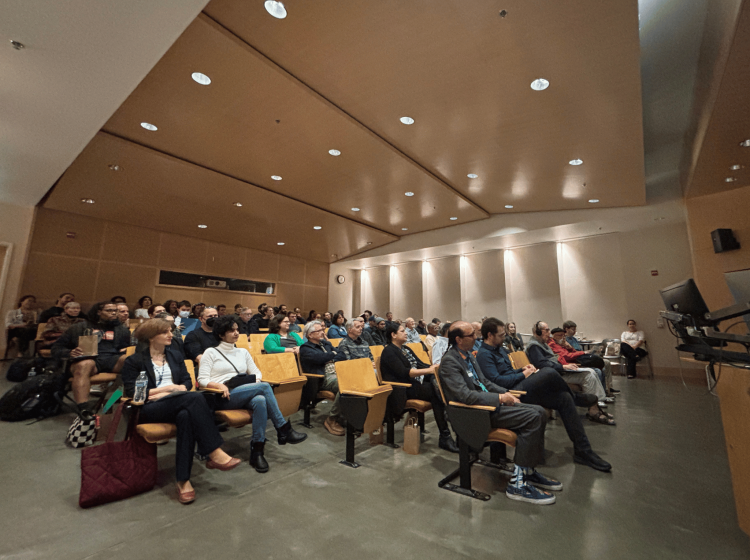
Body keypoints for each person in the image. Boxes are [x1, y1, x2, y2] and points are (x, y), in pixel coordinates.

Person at [439, 321, 560, 505]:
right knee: (533, 416)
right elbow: (464, 396)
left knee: (539, 411)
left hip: (488, 404)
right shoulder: (450, 361)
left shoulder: (468, 356)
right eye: (471, 335)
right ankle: (517, 486)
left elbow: (485, 383)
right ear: (458, 339)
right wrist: (500, 399)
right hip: (475, 413)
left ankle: (526, 470)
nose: (476, 337)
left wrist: (506, 394)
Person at [122, 318, 241, 504]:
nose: (171, 335)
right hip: (149, 409)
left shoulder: (175, 356)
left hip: (178, 403)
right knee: (196, 398)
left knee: (186, 416)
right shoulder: (134, 361)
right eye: (165, 332)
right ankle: (212, 451)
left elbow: (186, 382)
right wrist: (168, 389)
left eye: (171, 331)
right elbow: (134, 393)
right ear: (151, 337)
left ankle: (183, 481)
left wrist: (175, 390)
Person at [476, 318, 611, 472]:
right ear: (489, 335)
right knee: (548, 372)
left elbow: (508, 372)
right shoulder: (484, 355)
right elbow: (498, 382)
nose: (504, 337)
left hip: (520, 385)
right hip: (512, 393)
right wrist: (523, 374)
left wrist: (522, 370)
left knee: (564, 399)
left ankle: (583, 451)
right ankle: (577, 398)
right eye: (500, 335)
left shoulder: (499, 349)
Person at [198, 315, 307, 473]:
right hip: (221, 396)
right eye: (231, 331)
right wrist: (218, 385)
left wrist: (251, 383)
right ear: (221, 334)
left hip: (244, 391)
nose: (236, 333)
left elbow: (257, 373)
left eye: (237, 330)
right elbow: (202, 380)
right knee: (263, 387)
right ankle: (283, 429)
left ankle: (257, 450)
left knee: (260, 400)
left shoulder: (243, 352)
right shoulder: (211, 352)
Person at [380, 323, 458, 453]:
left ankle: (448, 430)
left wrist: (433, 369)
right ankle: (445, 435)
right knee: (436, 392)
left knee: (438, 384)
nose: (406, 333)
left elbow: (420, 364)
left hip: (414, 383)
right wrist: (429, 370)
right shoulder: (388, 351)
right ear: (393, 335)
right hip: (402, 388)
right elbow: (405, 372)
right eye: (402, 331)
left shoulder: (405, 349)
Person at [525, 322, 614, 426]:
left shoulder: (541, 344)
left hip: (558, 371)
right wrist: (563, 366)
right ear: (538, 332)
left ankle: (596, 406)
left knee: (592, 372)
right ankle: (594, 410)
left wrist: (565, 364)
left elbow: (554, 359)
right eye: (547, 330)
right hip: (553, 375)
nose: (549, 333)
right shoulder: (534, 346)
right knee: (588, 374)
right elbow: (542, 364)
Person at [52, 301, 130, 415]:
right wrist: (70, 352)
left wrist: (127, 349)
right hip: (88, 360)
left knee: (131, 360)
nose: (114, 313)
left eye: (115, 311)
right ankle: (83, 407)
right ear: (99, 312)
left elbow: (126, 347)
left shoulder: (121, 330)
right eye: (109, 310)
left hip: (112, 359)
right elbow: (56, 348)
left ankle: (118, 399)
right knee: (85, 364)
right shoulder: (79, 327)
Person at [299, 320, 346, 436]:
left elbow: (342, 355)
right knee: (345, 387)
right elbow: (319, 358)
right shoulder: (305, 348)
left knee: (359, 382)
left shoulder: (326, 344)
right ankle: (332, 419)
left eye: (322, 329)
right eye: (319, 330)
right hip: (324, 378)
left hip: (340, 372)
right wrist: (332, 355)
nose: (323, 332)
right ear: (310, 335)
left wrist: (329, 357)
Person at [549, 328, 614, 398]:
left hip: (576, 360)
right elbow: (567, 356)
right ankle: (595, 398)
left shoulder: (566, 342)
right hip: (571, 364)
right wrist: (584, 352)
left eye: (564, 335)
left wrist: (570, 347)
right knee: (597, 371)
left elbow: (573, 352)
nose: (563, 337)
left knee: (602, 365)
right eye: (560, 335)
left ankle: (604, 393)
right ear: (554, 336)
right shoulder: (553, 345)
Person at [563, 320, 619, 394]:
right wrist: (587, 352)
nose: (575, 331)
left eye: (575, 329)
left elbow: (580, 350)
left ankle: (609, 387)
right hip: (578, 359)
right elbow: (572, 353)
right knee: (601, 367)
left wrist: (592, 351)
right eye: (573, 329)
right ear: (566, 329)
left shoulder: (574, 339)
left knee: (607, 362)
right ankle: (602, 390)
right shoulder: (565, 340)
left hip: (583, 356)